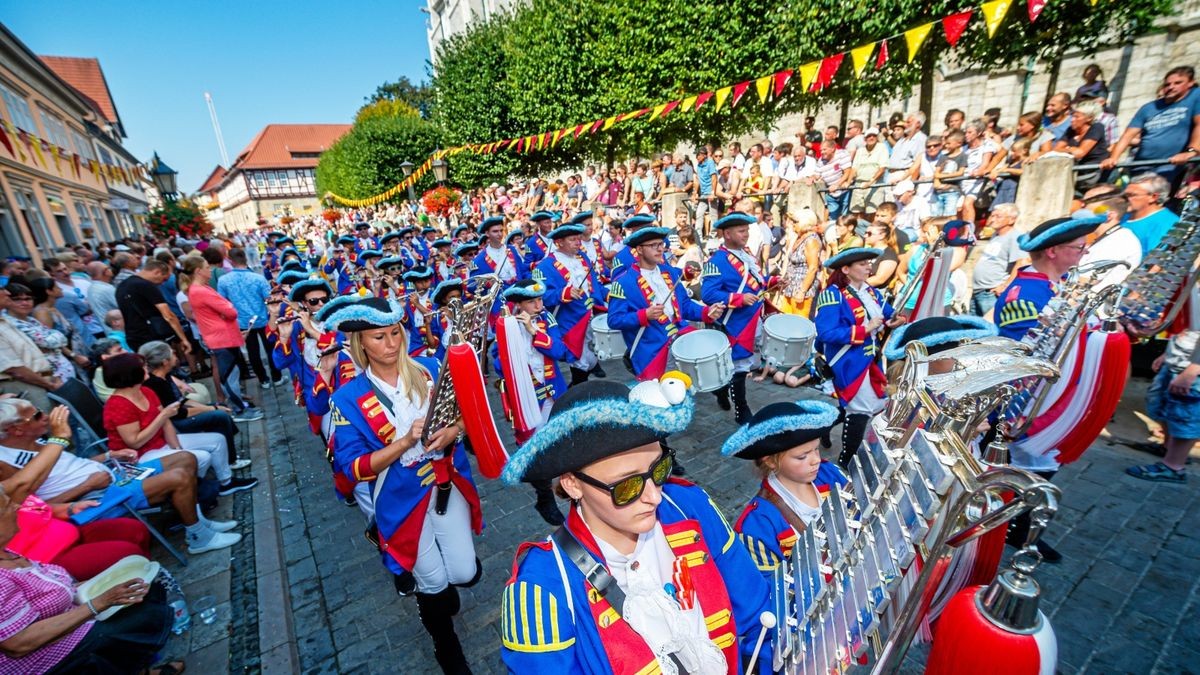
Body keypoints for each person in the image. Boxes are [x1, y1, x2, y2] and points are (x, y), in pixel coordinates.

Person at [499, 380, 771, 673]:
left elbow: (758, 614)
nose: (654, 496)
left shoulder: (689, 506)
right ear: (572, 484)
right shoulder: (541, 589)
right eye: (627, 486)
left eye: (659, 469)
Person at [324, 296, 480, 674]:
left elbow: (466, 417)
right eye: (379, 337)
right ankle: (446, 645)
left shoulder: (429, 369)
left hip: (446, 484)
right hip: (399, 501)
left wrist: (453, 431)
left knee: (463, 573)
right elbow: (354, 468)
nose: (391, 344)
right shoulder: (346, 399)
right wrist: (405, 442)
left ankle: (441, 598)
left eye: (395, 333)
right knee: (432, 582)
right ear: (361, 344)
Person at [0, 396, 239, 556]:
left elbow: (70, 465)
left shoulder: (35, 440)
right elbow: (31, 508)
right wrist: (85, 486)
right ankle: (198, 537)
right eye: (37, 415)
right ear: (16, 429)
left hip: (111, 477)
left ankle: (199, 522)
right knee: (177, 477)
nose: (45, 417)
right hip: (95, 499)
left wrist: (108, 455)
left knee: (185, 458)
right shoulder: (6, 463)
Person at [723, 400, 846, 585]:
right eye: (802, 456)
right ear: (771, 462)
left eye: (816, 449)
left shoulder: (829, 474)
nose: (816, 460)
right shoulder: (757, 527)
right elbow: (771, 588)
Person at [101, 352, 258, 497]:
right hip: (138, 457)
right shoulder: (118, 405)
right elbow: (134, 442)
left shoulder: (146, 391)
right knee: (201, 457)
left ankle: (225, 482)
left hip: (160, 442)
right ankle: (193, 493)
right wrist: (163, 417)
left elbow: (167, 422)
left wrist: (177, 448)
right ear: (131, 374)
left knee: (217, 440)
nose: (146, 368)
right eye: (142, 366)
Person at [814, 247, 905, 466]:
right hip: (847, 361)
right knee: (861, 410)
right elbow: (826, 333)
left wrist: (894, 320)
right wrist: (863, 329)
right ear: (846, 269)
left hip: (870, 359)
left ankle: (823, 428)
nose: (869, 267)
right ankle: (846, 461)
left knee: (860, 406)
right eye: (863, 264)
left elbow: (887, 313)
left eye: (869, 263)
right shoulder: (832, 294)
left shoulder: (871, 291)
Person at [494, 279, 571, 526]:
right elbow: (497, 364)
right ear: (519, 304)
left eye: (540, 300)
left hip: (553, 392)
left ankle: (569, 485)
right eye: (532, 301)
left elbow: (560, 351)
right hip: (526, 397)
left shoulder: (546, 321)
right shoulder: (505, 326)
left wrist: (535, 332)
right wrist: (514, 344)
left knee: (562, 438)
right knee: (533, 447)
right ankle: (544, 496)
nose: (539, 305)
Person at [607, 227, 725, 382]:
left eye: (661, 244)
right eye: (653, 245)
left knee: (686, 391)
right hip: (652, 353)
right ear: (640, 250)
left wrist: (706, 311)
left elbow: (685, 305)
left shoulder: (669, 273)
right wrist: (644, 315)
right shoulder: (622, 283)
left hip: (681, 343)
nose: (660, 248)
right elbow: (614, 320)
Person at [702, 212, 778, 424]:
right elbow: (708, 294)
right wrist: (738, 298)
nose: (746, 234)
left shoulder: (747, 254)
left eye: (747, 230)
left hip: (754, 317)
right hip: (735, 322)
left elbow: (757, 281)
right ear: (727, 233)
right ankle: (741, 409)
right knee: (740, 365)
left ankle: (720, 389)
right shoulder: (716, 261)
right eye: (741, 230)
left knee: (742, 363)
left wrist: (774, 281)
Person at [139, 340, 249, 472]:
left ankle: (224, 453)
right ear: (164, 362)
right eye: (172, 354)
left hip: (180, 413)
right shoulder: (155, 384)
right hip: (175, 423)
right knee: (219, 416)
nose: (176, 356)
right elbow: (179, 413)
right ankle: (231, 460)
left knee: (217, 408)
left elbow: (182, 400)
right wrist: (211, 409)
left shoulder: (165, 376)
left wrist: (210, 406)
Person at [182, 256, 264, 422]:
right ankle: (239, 410)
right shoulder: (200, 291)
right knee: (229, 376)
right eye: (206, 267)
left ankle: (239, 405)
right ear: (198, 271)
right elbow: (230, 311)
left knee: (231, 374)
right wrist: (228, 308)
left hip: (222, 336)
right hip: (221, 339)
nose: (210, 270)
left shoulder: (198, 289)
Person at [533, 214, 607, 386]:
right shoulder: (544, 266)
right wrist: (562, 294)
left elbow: (594, 284)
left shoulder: (584, 258)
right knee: (579, 362)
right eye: (573, 240)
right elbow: (539, 296)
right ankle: (574, 394)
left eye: (578, 239)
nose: (578, 243)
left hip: (591, 316)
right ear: (559, 242)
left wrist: (605, 295)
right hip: (569, 321)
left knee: (592, 357)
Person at [1102, 65, 1200, 184]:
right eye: (1167, 84)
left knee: (1157, 197)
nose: (1171, 87)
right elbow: (1128, 135)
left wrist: (1191, 152)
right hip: (1142, 164)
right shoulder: (1149, 108)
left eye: (1177, 83)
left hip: (1171, 163)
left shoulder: (1195, 96)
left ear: (1190, 83)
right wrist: (1114, 157)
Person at [1127, 328, 1199, 484]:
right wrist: (1168, 354)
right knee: (1163, 403)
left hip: (1191, 367)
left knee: (1185, 416)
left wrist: (1193, 370)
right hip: (1181, 357)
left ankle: (1174, 466)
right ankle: (1167, 448)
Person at [218, 246, 284, 389]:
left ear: (230, 260)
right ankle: (276, 376)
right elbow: (269, 299)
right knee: (270, 348)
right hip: (262, 318)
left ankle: (263, 379)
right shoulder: (258, 278)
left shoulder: (224, 281)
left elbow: (223, 303)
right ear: (245, 259)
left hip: (242, 321)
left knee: (253, 351)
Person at [2, 282, 85, 383]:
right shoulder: (10, 323)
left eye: (28, 299)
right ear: (7, 301)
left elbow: (54, 340)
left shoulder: (31, 320)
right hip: (50, 377)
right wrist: (56, 337)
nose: (24, 303)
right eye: (17, 300)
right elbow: (47, 342)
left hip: (64, 369)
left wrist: (55, 338)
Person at [116, 259, 192, 355]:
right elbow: (168, 315)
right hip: (151, 337)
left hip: (133, 336)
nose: (162, 283)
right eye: (164, 279)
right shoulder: (145, 285)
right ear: (157, 272)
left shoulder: (122, 286)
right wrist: (183, 339)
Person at [970, 204, 1028, 317]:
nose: (992, 219)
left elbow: (1021, 263)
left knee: (990, 327)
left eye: (998, 216)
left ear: (1011, 220)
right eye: (992, 215)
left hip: (991, 293)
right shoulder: (996, 236)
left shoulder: (1015, 237)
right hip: (979, 290)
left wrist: (1005, 286)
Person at [1053, 99, 1109, 190]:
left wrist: (1067, 148)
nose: (1072, 120)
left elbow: (1080, 153)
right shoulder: (1071, 130)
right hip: (1077, 173)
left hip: (1095, 174)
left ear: (1089, 118)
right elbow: (1055, 150)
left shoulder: (1097, 127)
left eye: (1076, 117)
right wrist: (1071, 149)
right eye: (1072, 116)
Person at [1119, 173, 1180, 255]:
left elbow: (1154, 261)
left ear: (1153, 197)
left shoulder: (1168, 223)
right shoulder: (1121, 214)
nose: (1125, 199)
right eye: (1125, 195)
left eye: (1131, 195)